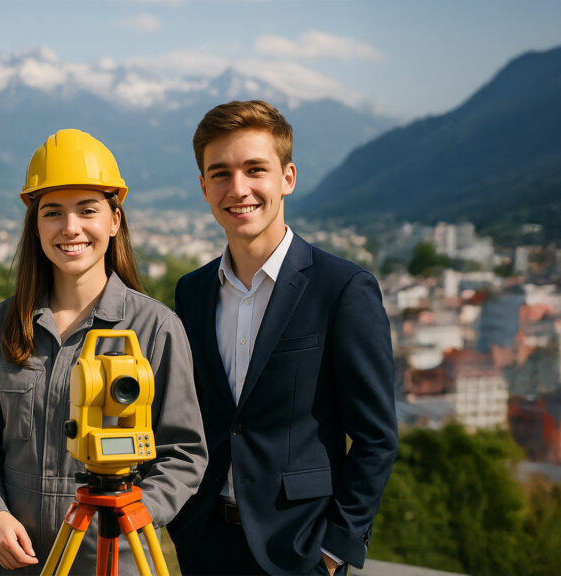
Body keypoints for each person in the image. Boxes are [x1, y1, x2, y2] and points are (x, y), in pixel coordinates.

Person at [0, 128, 207, 575]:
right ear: (35, 224)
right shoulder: (1, 325)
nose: (70, 227)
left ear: (114, 220)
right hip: (17, 562)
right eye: (53, 212)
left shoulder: (155, 329)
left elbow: (184, 453)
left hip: (113, 560)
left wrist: (132, 515)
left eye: (87, 210)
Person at [167, 100, 399, 576]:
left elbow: (376, 438)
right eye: (221, 173)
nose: (238, 188)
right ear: (204, 187)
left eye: (255, 169)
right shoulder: (192, 291)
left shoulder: (343, 289)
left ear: (287, 178)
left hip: (300, 550)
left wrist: (334, 550)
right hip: (203, 543)